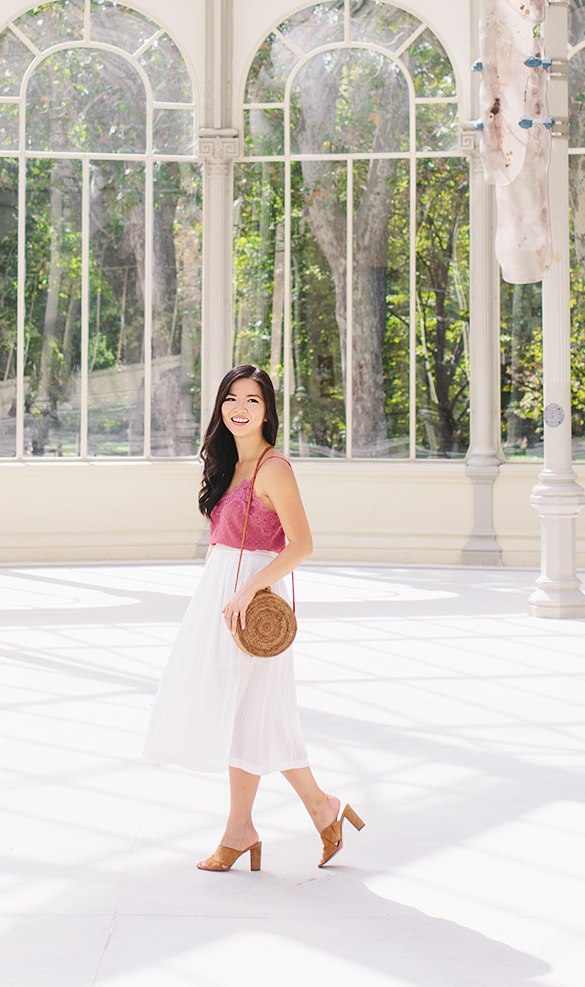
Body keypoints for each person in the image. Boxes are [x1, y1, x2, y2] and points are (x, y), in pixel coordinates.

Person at [144, 363, 364, 872]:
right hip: (221, 598)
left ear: (268, 413)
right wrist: (213, 595)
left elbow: (302, 544)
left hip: (254, 601)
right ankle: (320, 810)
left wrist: (248, 589)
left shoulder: (273, 469)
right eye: (231, 400)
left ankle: (244, 829)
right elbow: (220, 541)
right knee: (257, 713)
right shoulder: (229, 464)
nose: (240, 410)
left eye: (253, 401)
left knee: (251, 713)